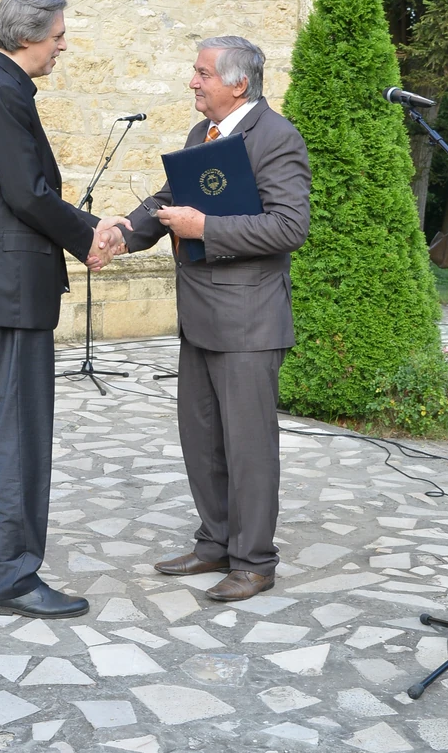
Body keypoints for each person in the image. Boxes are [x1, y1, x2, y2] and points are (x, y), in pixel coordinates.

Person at [0, 0, 130, 620]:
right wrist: (88, 235)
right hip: (12, 288)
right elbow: (28, 193)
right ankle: (13, 575)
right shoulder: (3, 93)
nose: (63, 44)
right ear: (26, 37)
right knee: (20, 431)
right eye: (58, 34)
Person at [97, 37, 310, 604]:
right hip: (200, 318)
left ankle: (254, 561)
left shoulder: (277, 138)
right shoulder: (203, 136)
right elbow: (171, 200)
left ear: (238, 84)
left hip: (249, 321)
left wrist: (205, 229)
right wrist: (123, 234)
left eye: (202, 73)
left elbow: (290, 228)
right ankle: (215, 542)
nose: (192, 82)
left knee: (248, 446)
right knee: (202, 439)